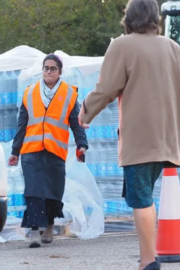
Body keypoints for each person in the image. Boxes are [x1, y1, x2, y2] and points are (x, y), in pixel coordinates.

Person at [78, 0, 180, 269]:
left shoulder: (122, 45)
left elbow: (107, 87)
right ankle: (150, 256)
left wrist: (85, 112)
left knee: (141, 199)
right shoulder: (172, 47)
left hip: (139, 137)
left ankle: (148, 261)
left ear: (129, 17)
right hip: (168, 137)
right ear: (155, 17)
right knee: (146, 197)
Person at [9, 53, 88, 248]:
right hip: (31, 149)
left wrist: (82, 145)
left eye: (53, 68)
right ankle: (34, 230)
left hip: (55, 150)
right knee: (33, 191)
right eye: (46, 68)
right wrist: (15, 151)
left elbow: (76, 124)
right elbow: (21, 125)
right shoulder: (29, 93)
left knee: (53, 192)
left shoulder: (69, 94)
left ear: (60, 72)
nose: (49, 71)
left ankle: (50, 225)